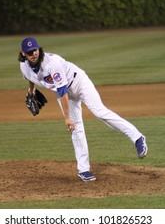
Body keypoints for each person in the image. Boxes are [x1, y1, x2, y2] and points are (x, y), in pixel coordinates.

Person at [18, 37, 148, 182]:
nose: (33, 54)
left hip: (78, 82)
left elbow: (62, 91)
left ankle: (137, 137)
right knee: (76, 128)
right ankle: (84, 170)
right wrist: (31, 91)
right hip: (64, 92)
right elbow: (30, 77)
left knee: (99, 111)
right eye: (30, 52)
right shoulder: (24, 65)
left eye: (35, 50)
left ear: (38, 48)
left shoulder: (51, 63)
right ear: (23, 53)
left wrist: (67, 117)